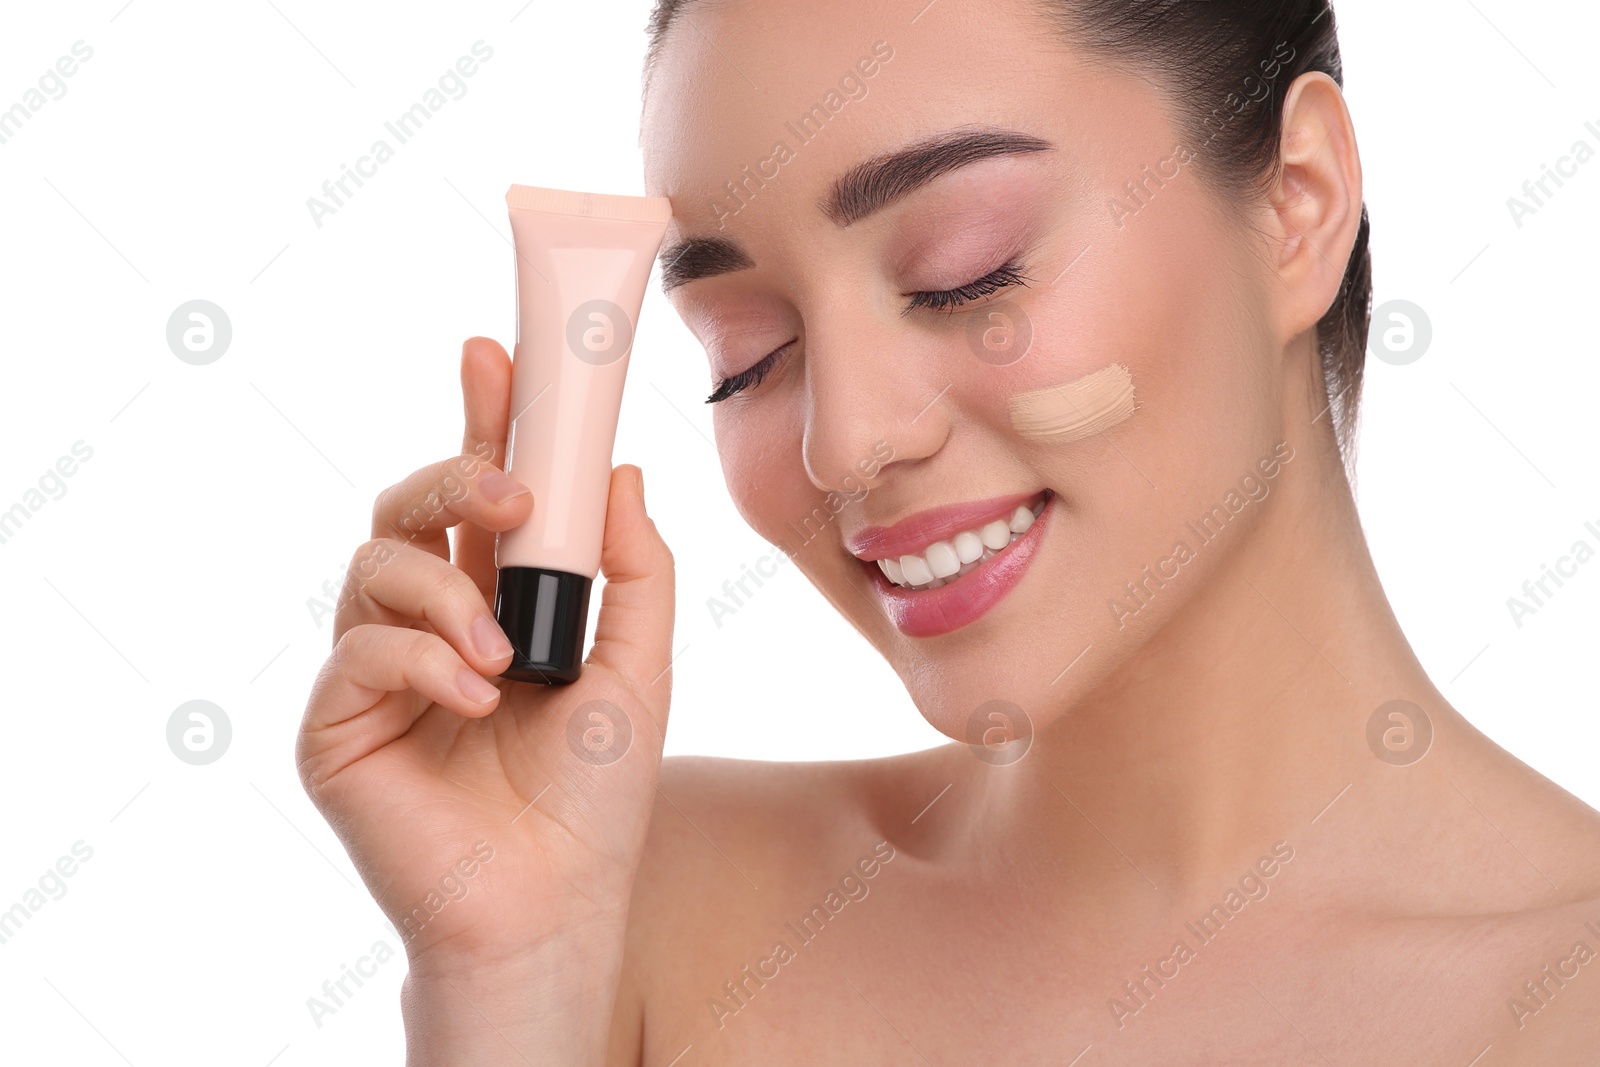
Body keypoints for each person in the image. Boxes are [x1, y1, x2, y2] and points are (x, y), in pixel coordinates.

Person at [296, 1, 1600, 1061]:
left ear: (1296, 203)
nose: (844, 443)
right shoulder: (643, 912)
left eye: (961, 273)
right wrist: (509, 981)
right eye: (749, 355)